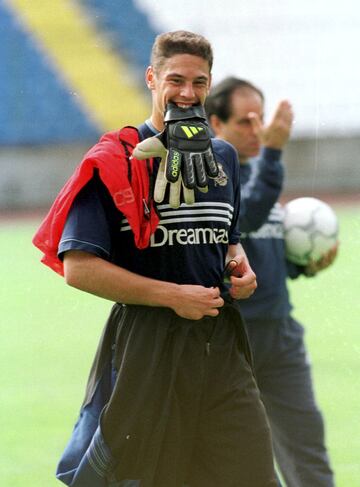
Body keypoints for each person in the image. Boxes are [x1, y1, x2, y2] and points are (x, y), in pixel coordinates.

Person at [33, 33, 279, 487]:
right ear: (151, 78)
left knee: (254, 474)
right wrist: (172, 297)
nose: (187, 93)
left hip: (221, 345)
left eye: (199, 82)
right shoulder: (113, 161)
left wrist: (239, 266)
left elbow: (227, 240)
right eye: (176, 79)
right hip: (147, 348)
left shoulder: (223, 157)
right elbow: (79, 267)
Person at [205, 77, 337, 487]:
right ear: (215, 124)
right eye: (244, 121)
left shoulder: (261, 176)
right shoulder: (212, 181)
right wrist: (275, 151)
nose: (257, 129)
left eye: (260, 119)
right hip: (230, 342)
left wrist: (304, 266)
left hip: (280, 338)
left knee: (307, 455)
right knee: (245, 466)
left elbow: (259, 248)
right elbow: (246, 218)